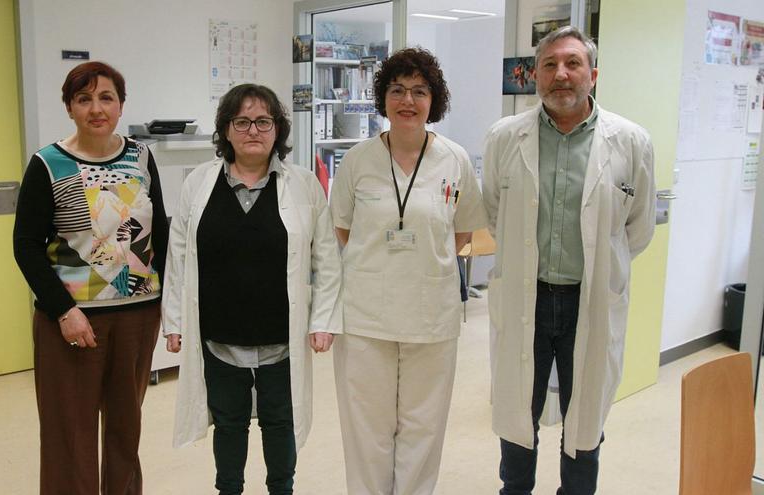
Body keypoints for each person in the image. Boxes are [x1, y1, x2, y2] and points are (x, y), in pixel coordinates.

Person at [482, 26, 656, 495]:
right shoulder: (505, 137)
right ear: (535, 75)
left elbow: (636, 228)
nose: (561, 74)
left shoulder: (632, 141)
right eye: (550, 65)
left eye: (573, 63)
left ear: (592, 74)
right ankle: (514, 490)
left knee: (585, 418)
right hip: (528, 298)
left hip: (590, 299)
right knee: (519, 411)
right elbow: (497, 216)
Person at [161, 83, 342, 495]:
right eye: (241, 121)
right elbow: (180, 259)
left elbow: (326, 259)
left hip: (282, 335)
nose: (253, 131)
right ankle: (229, 489)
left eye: (263, 121)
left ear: (278, 130)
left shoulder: (303, 185)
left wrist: (323, 319)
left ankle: (282, 488)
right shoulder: (199, 184)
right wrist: (174, 321)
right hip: (220, 335)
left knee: (281, 421)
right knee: (229, 422)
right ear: (225, 130)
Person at [329, 47, 487, 495]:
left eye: (419, 91)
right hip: (366, 318)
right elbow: (343, 229)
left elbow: (460, 235)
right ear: (383, 98)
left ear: (433, 101)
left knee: (424, 427)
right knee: (367, 428)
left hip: (431, 315)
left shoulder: (454, 160)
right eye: (397, 89)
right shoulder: (357, 161)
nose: (408, 100)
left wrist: (422, 264)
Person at [13, 61, 168, 495]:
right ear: (69, 107)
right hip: (72, 322)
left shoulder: (141, 156)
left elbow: (161, 230)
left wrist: (168, 301)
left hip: (137, 316)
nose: (96, 108)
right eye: (84, 99)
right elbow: (25, 246)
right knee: (71, 436)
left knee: (125, 430)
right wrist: (64, 311)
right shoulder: (48, 163)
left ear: (121, 106)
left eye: (106, 98)